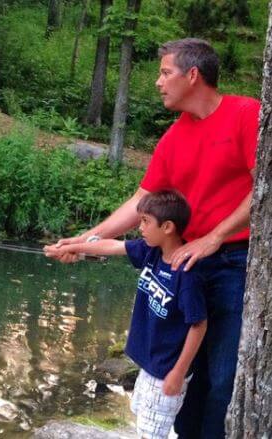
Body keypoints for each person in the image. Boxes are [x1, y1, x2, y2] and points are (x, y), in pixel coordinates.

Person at [45, 38, 260, 438]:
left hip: (233, 263)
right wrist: (83, 240)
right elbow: (141, 202)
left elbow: (264, 185)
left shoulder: (246, 114)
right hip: (181, 267)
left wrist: (214, 238)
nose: (158, 82)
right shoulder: (174, 137)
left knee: (223, 378)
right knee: (183, 375)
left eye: (165, 73)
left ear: (192, 75)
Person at [45, 190, 207, 438]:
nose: (139, 227)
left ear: (167, 227)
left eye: (145, 222)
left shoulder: (185, 274)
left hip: (166, 371)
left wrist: (177, 372)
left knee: (152, 434)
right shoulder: (151, 251)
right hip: (150, 366)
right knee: (142, 419)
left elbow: (199, 325)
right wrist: (73, 245)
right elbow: (111, 245)